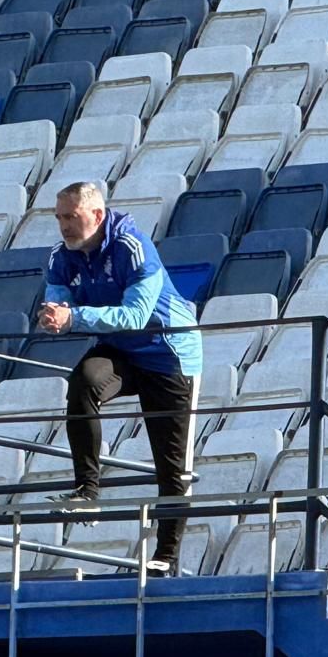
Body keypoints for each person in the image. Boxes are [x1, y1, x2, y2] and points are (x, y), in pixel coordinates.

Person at [40, 181, 202, 575]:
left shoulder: (133, 247)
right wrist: (52, 316)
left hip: (168, 353)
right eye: (59, 217)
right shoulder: (61, 257)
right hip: (122, 351)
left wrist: (73, 317)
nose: (63, 226)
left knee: (171, 465)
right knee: (83, 380)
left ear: (96, 215)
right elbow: (56, 301)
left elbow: (134, 316)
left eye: (71, 217)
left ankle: (166, 557)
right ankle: (87, 492)